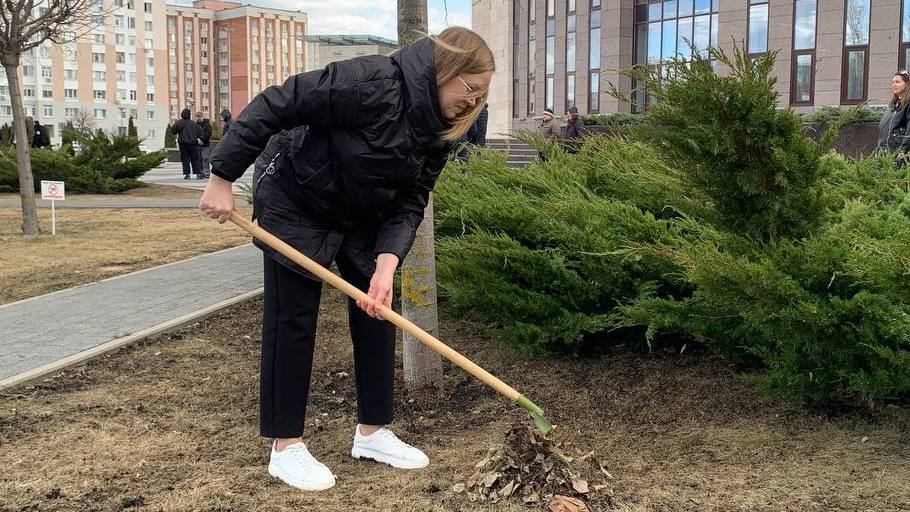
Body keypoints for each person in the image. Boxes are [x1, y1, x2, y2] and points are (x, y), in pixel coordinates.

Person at [199, 27, 494, 492]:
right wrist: (222, 174)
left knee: (377, 309)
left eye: (482, 96)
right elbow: (279, 102)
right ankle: (285, 445)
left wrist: (387, 261)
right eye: (470, 89)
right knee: (292, 318)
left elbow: (413, 197)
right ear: (446, 70)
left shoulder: (439, 131)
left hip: (362, 212)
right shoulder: (369, 82)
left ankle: (373, 432)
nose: (472, 103)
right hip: (296, 196)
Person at [878, 70, 910, 168]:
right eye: (893, 82)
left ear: (907, 84)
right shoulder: (892, 106)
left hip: (898, 157)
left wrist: (902, 154)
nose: (894, 85)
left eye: (897, 82)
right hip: (884, 154)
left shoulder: (908, 105)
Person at [172, 108, 205, 179]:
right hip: (193, 144)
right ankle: (198, 174)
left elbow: (173, 131)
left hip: (183, 144)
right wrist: (199, 139)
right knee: (195, 159)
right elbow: (201, 133)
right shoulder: (193, 123)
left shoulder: (179, 123)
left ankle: (187, 174)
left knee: (185, 159)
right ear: (189, 115)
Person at [196, 112, 213, 178]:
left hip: (205, 145)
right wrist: (197, 140)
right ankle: (200, 173)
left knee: (205, 159)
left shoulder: (207, 124)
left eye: (199, 116)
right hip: (197, 145)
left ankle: (207, 173)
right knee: (199, 159)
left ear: (202, 116)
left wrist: (201, 139)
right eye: (197, 116)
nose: (198, 118)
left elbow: (208, 133)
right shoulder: (195, 125)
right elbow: (194, 133)